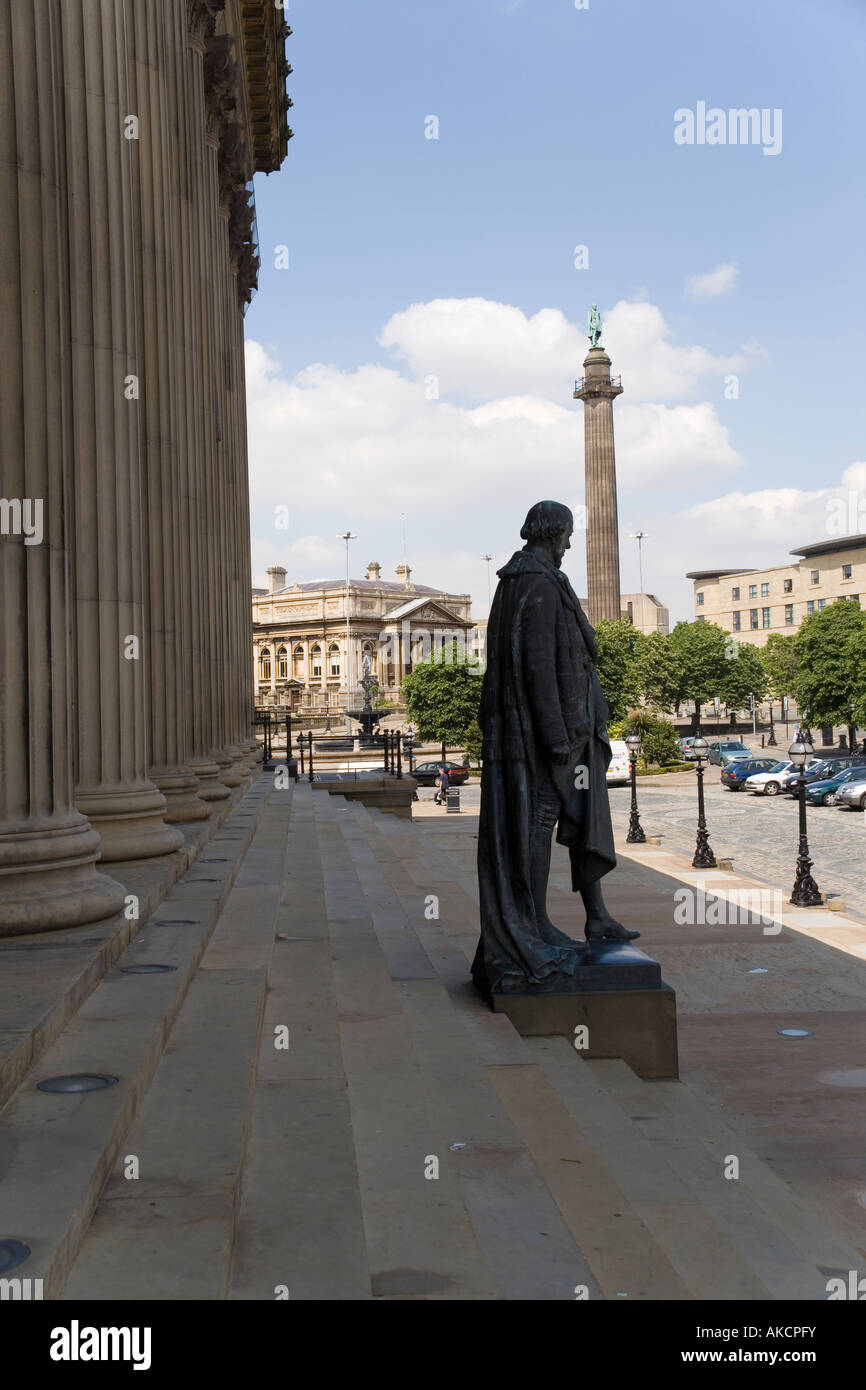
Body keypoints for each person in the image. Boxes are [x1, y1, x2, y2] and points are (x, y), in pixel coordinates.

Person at [473, 500, 638, 997]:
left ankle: (590, 917)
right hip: (553, 738)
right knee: (538, 826)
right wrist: (557, 738)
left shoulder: (534, 579)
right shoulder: (538, 583)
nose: (570, 542)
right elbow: (540, 667)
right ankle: (534, 923)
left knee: (571, 820)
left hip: (571, 731)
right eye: (568, 534)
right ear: (553, 532)